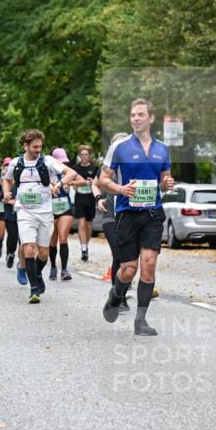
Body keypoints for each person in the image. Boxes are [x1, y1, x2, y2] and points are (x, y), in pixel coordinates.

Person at [99, 98, 175, 336]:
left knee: (149, 265)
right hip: (127, 214)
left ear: (151, 118)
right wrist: (120, 189)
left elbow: (164, 180)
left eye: (140, 114)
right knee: (129, 270)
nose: (135, 118)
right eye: (133, 115)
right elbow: (103, 178)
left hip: (152, 213)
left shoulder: (162, 149)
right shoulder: (120, 147)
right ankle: (116, 295)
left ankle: (140, 321)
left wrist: (167, 184)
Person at [2, 130, 83, 304]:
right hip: (24, 211)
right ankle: (34, 290)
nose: (38, 150)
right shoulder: (16, 163)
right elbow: (7, 179)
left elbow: (71, 173)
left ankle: (37, 273)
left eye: (40, 146)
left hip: (45, 212)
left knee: (44, 254)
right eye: (35, 147)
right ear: (25, 146)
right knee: (29, 249)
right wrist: (7, 192)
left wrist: (59, 184)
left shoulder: (47, 161)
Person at [94, 133, 131, 312]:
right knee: (119, 256)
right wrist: (98, 198)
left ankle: (121, 290)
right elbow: (95, 184)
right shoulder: (106, 168)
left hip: (130, 218)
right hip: (111, 217)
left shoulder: (135, 166)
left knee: (129, 258)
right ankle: (119, 298)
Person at [48, 147, 76, 281]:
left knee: (63, 238)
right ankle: (53, 267)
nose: (63, 164)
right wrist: (49, 186)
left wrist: (72, 182)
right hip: (51, 209)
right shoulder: (47, 171)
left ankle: (64, 270)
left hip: (65, 208)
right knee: (52, 240)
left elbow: (82, 180)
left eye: (64, 162)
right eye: (60, 161)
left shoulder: (67, 172)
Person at [72, 144, 99, 261]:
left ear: (89, 155)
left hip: (90, 199)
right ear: (79, 156)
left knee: (88, 225)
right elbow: (72, 182)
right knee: (81, 223)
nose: (84, 157)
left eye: (86, 154)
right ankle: (83, 248)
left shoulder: (95, 168)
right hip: (79, 198)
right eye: (82, 155)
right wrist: (77, 185)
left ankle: (86, 246)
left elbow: (99, 184)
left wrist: (93, 182)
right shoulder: (75, 168)